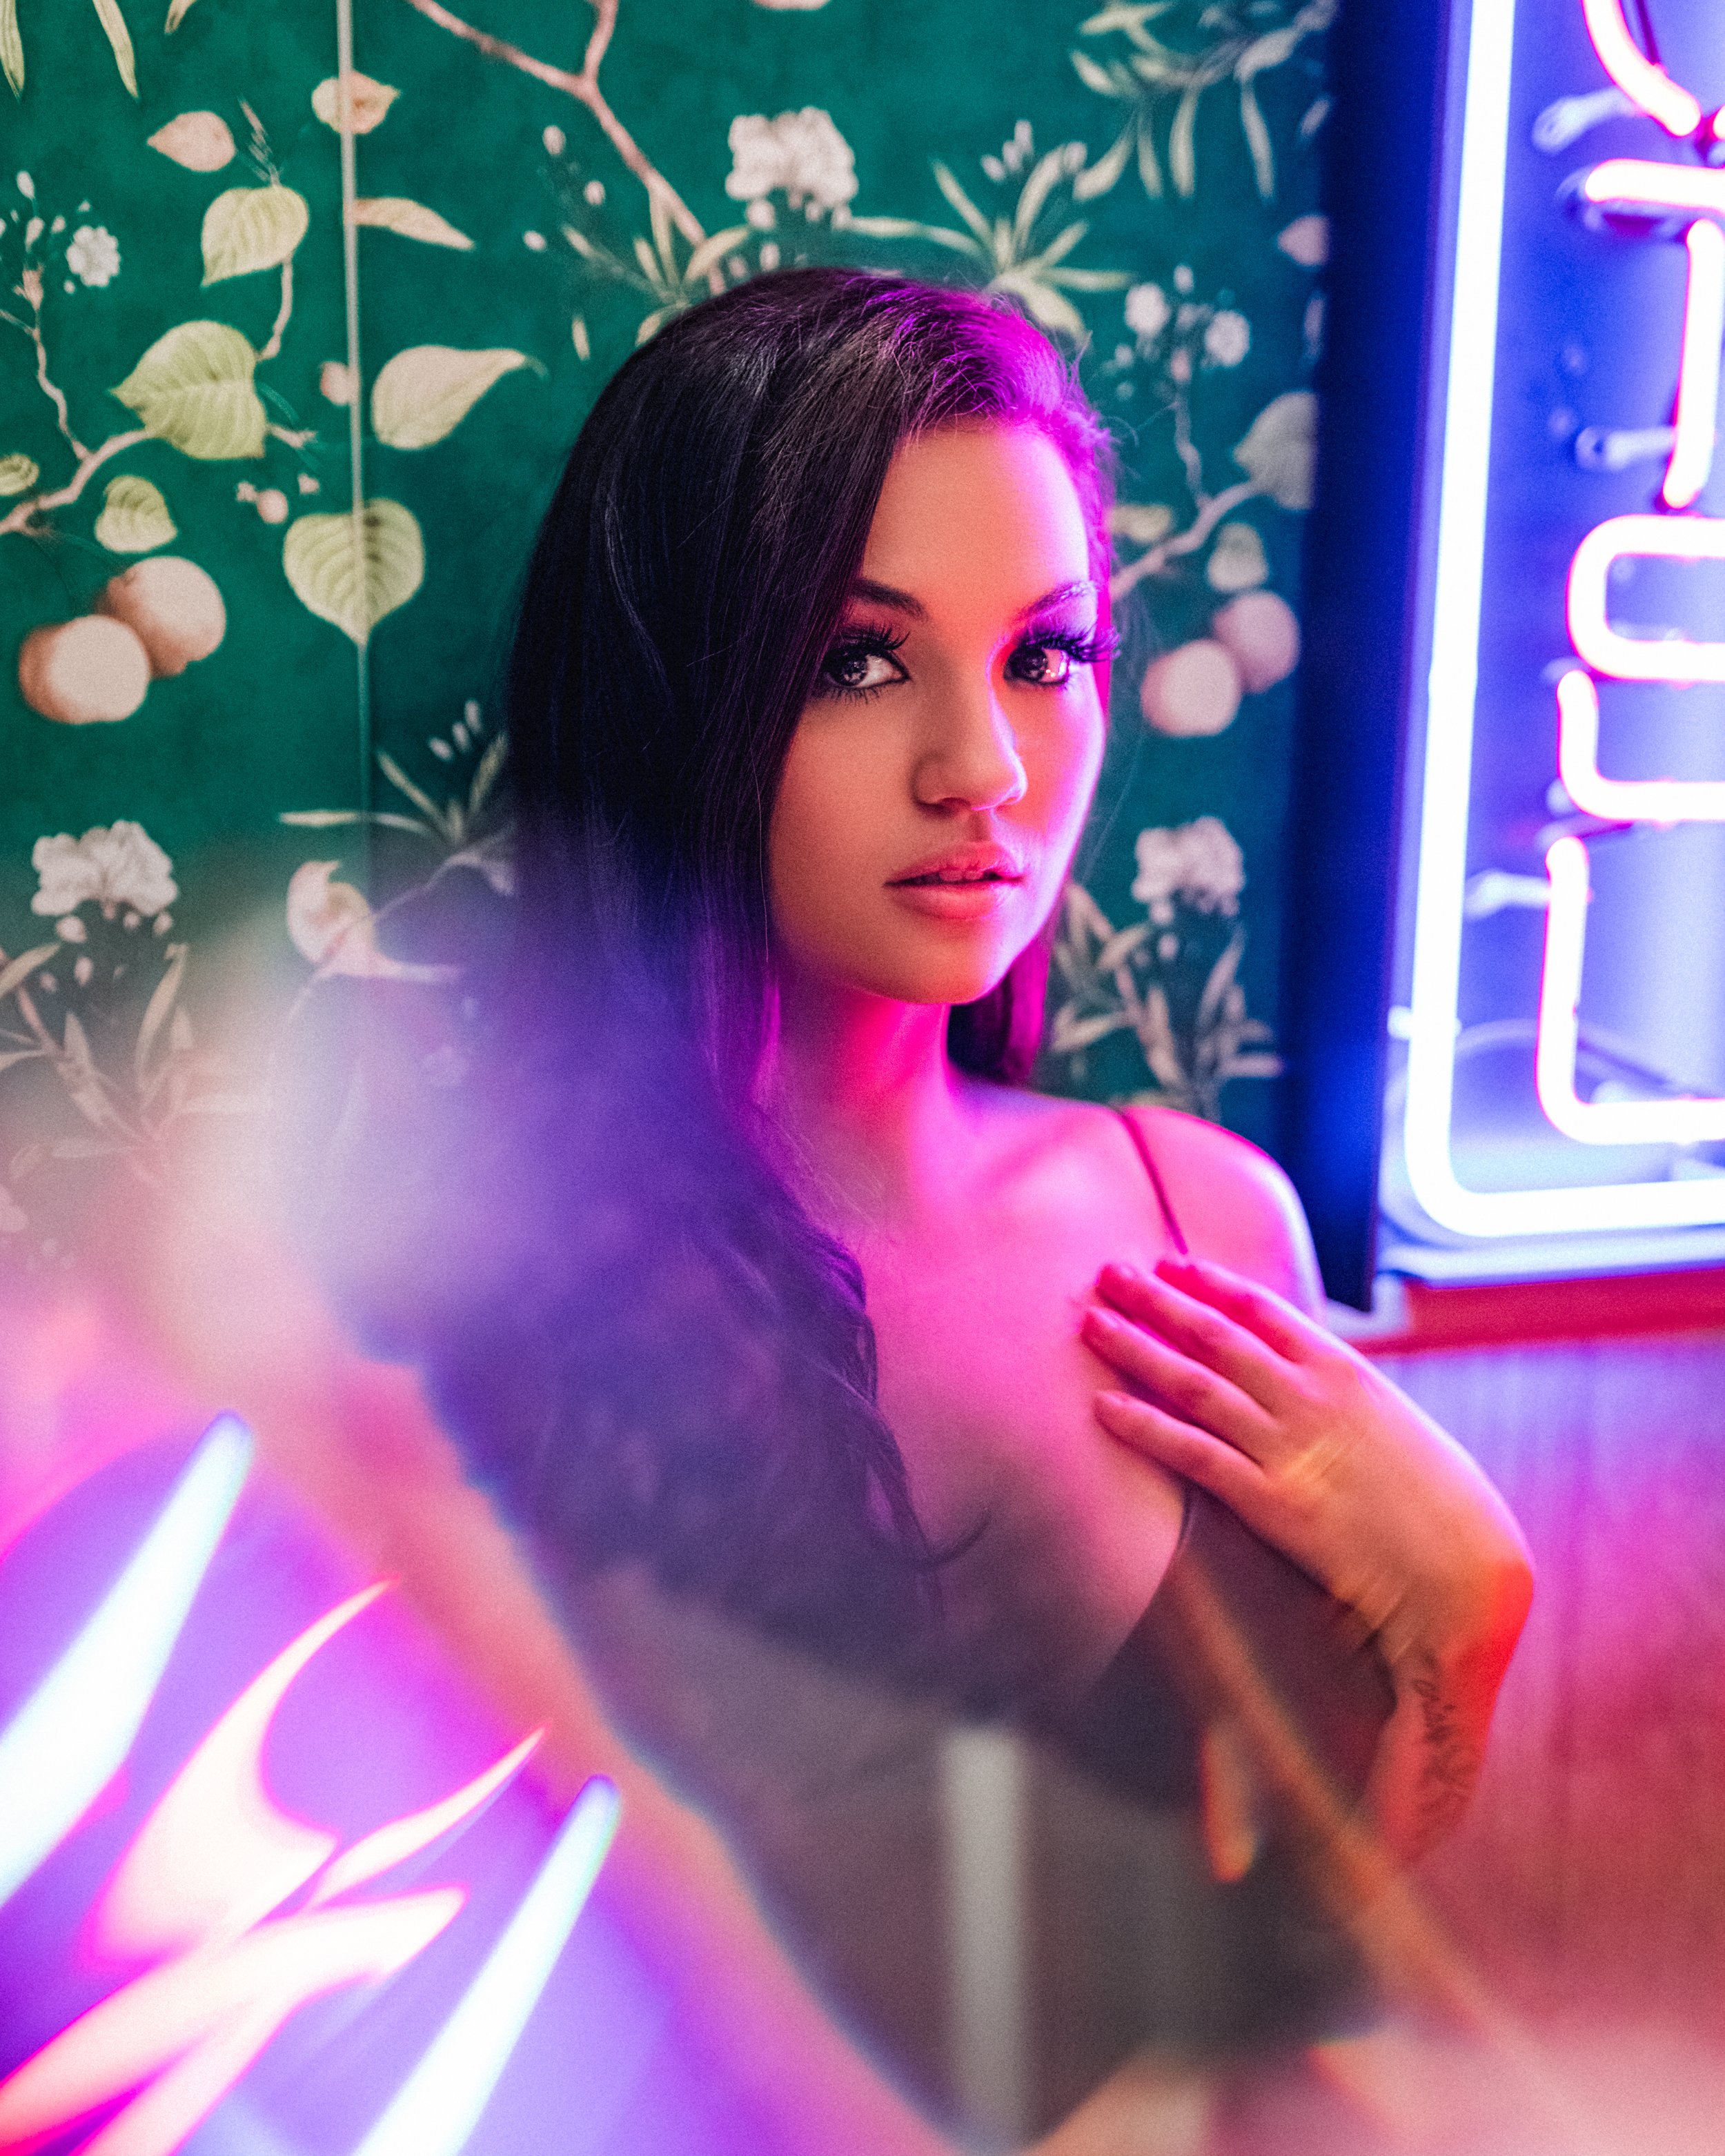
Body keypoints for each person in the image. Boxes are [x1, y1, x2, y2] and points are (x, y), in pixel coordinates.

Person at [299, 268, 1532, 2139]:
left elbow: (1268, 1989)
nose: (986, 769)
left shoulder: (1204, 1231)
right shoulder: (466, 1296)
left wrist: (1462, 1624)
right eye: (857, 659)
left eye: (1045, 654)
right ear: (683, 691)